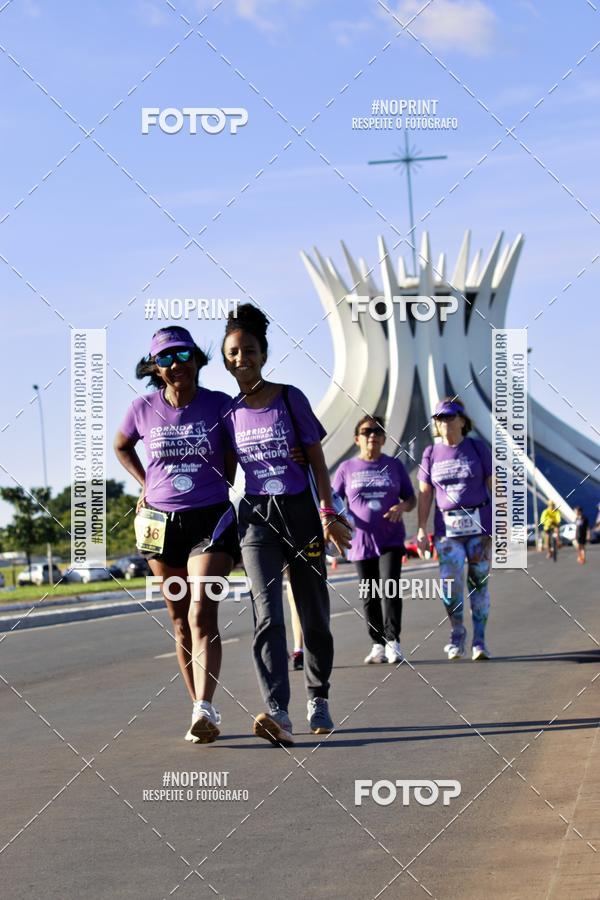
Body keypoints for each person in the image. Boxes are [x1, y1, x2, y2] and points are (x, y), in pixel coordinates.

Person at [220, 303, 351, 746]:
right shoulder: (227, 412)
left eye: (250, 350)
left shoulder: (290, 397)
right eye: (234, 352)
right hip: (256, 519)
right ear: (225, 359)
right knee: (267, 615)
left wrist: (328, 512)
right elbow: (222, 472)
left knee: (313, 613)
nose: (243, 358)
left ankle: (318, 695)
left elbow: (317, 459)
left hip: (299, 513)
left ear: (263, 353)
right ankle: (277, 710)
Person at [114, 326, 240, 744]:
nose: (175, 364)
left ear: (197, 359)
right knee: (179, 621)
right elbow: (121, 445)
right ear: (156, 368)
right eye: (165, 358)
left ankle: (206, 704)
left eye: (183, 354)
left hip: (210, 521)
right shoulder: (142, 408)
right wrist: (144, 485)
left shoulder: (220, 405)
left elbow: (236, 453)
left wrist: (219, 483)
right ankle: (197, 711)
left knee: (202, 612)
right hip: (159, 526)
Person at [332, 415, 415, 664]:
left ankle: (393, 642)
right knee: (370, 594)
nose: (372, 436)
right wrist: (340, 520)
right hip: (360, 541)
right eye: (367, 431)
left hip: (390, 537)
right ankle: (377, 643)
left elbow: (411, 499)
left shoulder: (394, 465)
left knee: (390, 588)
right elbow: (333, 500)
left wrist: (402, 508)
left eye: (378, 432)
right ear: (357, 439)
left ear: (384, 439)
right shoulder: (346, 469)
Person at [416, 397, 493, 661]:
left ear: (462, 420)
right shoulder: (430, 454)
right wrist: (420, 529)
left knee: (478, 583)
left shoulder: (477, 448)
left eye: (449, 417)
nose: (443, 422)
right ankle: (457, 632)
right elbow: (425, 494)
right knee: (450, 586)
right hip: (447, 530)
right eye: (438, 418)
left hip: (478, 527)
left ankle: (480, 640)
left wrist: (502, 522)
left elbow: (494, 484)